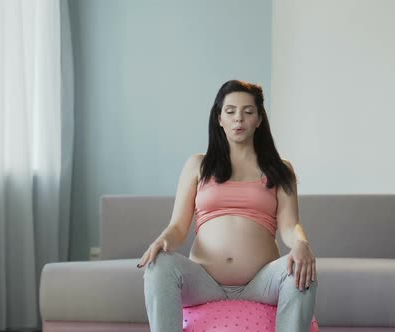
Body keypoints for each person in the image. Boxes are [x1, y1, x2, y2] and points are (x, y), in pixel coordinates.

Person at [136, 79, 318, 332]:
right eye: (230, 111)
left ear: (259, 119)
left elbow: (290, 225)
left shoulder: (280, 169)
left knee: (301, 265)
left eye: (248, 112)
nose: (239, 119)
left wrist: (301, 243)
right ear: (219, 118)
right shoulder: (197, 165)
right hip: (204, 282)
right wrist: (161, 241)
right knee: (159, 265)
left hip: (261, 282)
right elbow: (178, 227)